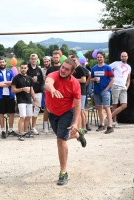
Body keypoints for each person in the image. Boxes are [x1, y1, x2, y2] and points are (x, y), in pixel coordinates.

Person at [44, 58, 86, 186]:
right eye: (62, 67)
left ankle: (63, 172)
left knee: (60, 140)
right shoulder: (53, 75)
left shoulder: (74, 84)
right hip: (52, 112)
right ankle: (78, 135)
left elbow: (78, 106)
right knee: (62, 137)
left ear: (72, 72)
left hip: (67, 112)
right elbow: (47, 83)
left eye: (67, 69)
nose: (63, 70)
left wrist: (75, 123)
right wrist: (52, 89)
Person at [11, 62, 37, 141]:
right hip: (21, 100)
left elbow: (32, 90)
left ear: (27, 68)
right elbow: (13, 89)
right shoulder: (16, 78)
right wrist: (22, 89)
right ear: (20, 68)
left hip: (29, 100)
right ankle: (20, 133)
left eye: (25, 68)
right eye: (22, 68)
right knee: (23, 117)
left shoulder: (29, 78)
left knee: (28, 117)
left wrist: (35, 100)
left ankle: (25, 132)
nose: (23, 69)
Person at [91, 52, 115, 133]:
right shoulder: (94, 68)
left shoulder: (108, 68)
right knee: (99, 108)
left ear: (103, 58)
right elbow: (91, 78)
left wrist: (107, 88)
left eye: (101, 57)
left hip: (105, 91)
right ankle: (102, 124)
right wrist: (94, 79)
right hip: (97, 91)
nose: (99, 58)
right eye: (98, 57)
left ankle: (110, 126)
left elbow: (113, 79)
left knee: (107, 107)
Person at [0, 56, 17, 138]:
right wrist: (8, 83)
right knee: (1, 113)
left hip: (10, 95)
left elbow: (14, 82)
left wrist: (4, 83)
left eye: (3, 62)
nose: (2, 63)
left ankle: (10, 130)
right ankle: (3, 130)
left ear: (5, 62)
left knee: (11, 113)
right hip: (0, 96)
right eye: (0, 62)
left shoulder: (10, 72)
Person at [110, 52, 131, 127]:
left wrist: (127, 86)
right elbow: (107, 69)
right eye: (122, 56)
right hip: (116, 85)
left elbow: (129, 79)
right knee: (115, 104)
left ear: (127, 57)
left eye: (125, 56)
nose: (124, 58)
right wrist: (111, 79)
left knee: (124, 105)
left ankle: (109, 116)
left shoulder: (129, 67)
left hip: (123, 87)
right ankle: (115, 122)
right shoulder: (116, 63)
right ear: (120, 57)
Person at [27, 54, 44, 134]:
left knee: (36, 109)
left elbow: (41, 81)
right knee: (28, 110)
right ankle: (26, 127)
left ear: (37, 60)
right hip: (28, 92)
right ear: (30, 59)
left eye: (35, 59)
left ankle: (33, 127)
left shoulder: (39, 70)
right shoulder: (27, 68)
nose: (34, 60)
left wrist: (41, 90)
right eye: (32, 59)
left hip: (37, 92)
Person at [70, 55, 87, 134]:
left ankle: (83, 128)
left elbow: (84, 80)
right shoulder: (72, 69)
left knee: (80, 110)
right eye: (72, 60)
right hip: (74, 92)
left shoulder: (80, 69)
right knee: (78, 111)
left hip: (81, 92)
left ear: (78, 60)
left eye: (75, 60)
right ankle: (79, 127)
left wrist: (72, 80)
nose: (73, 61)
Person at [41, 56, 51, 133]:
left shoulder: (53, 69)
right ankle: (45, 125)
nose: (46, 63)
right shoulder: (42, 70)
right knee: (46, 109)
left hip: (53, 91)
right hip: (45, 91)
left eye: (47, 61)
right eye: (44, 62)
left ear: (50, 61)